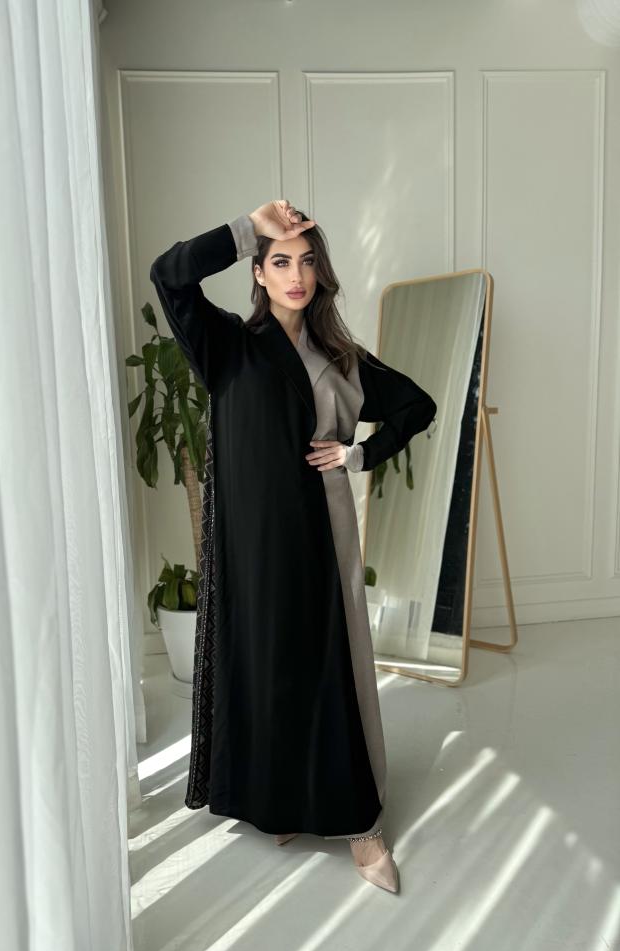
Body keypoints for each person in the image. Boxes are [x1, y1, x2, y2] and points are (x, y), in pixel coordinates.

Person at [149, 200, 437, 895]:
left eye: (307, 261)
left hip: (319, 534)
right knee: (267, 668)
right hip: (250, 546)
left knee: (328, 669)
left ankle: (360, 824)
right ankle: (285, 804)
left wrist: (358, 455)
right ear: (258, 271)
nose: (296, 274)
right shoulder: (226, 345)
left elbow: (416, 406)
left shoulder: (340, 359)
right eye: (280, 261)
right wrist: (251, 224)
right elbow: (169, 274)